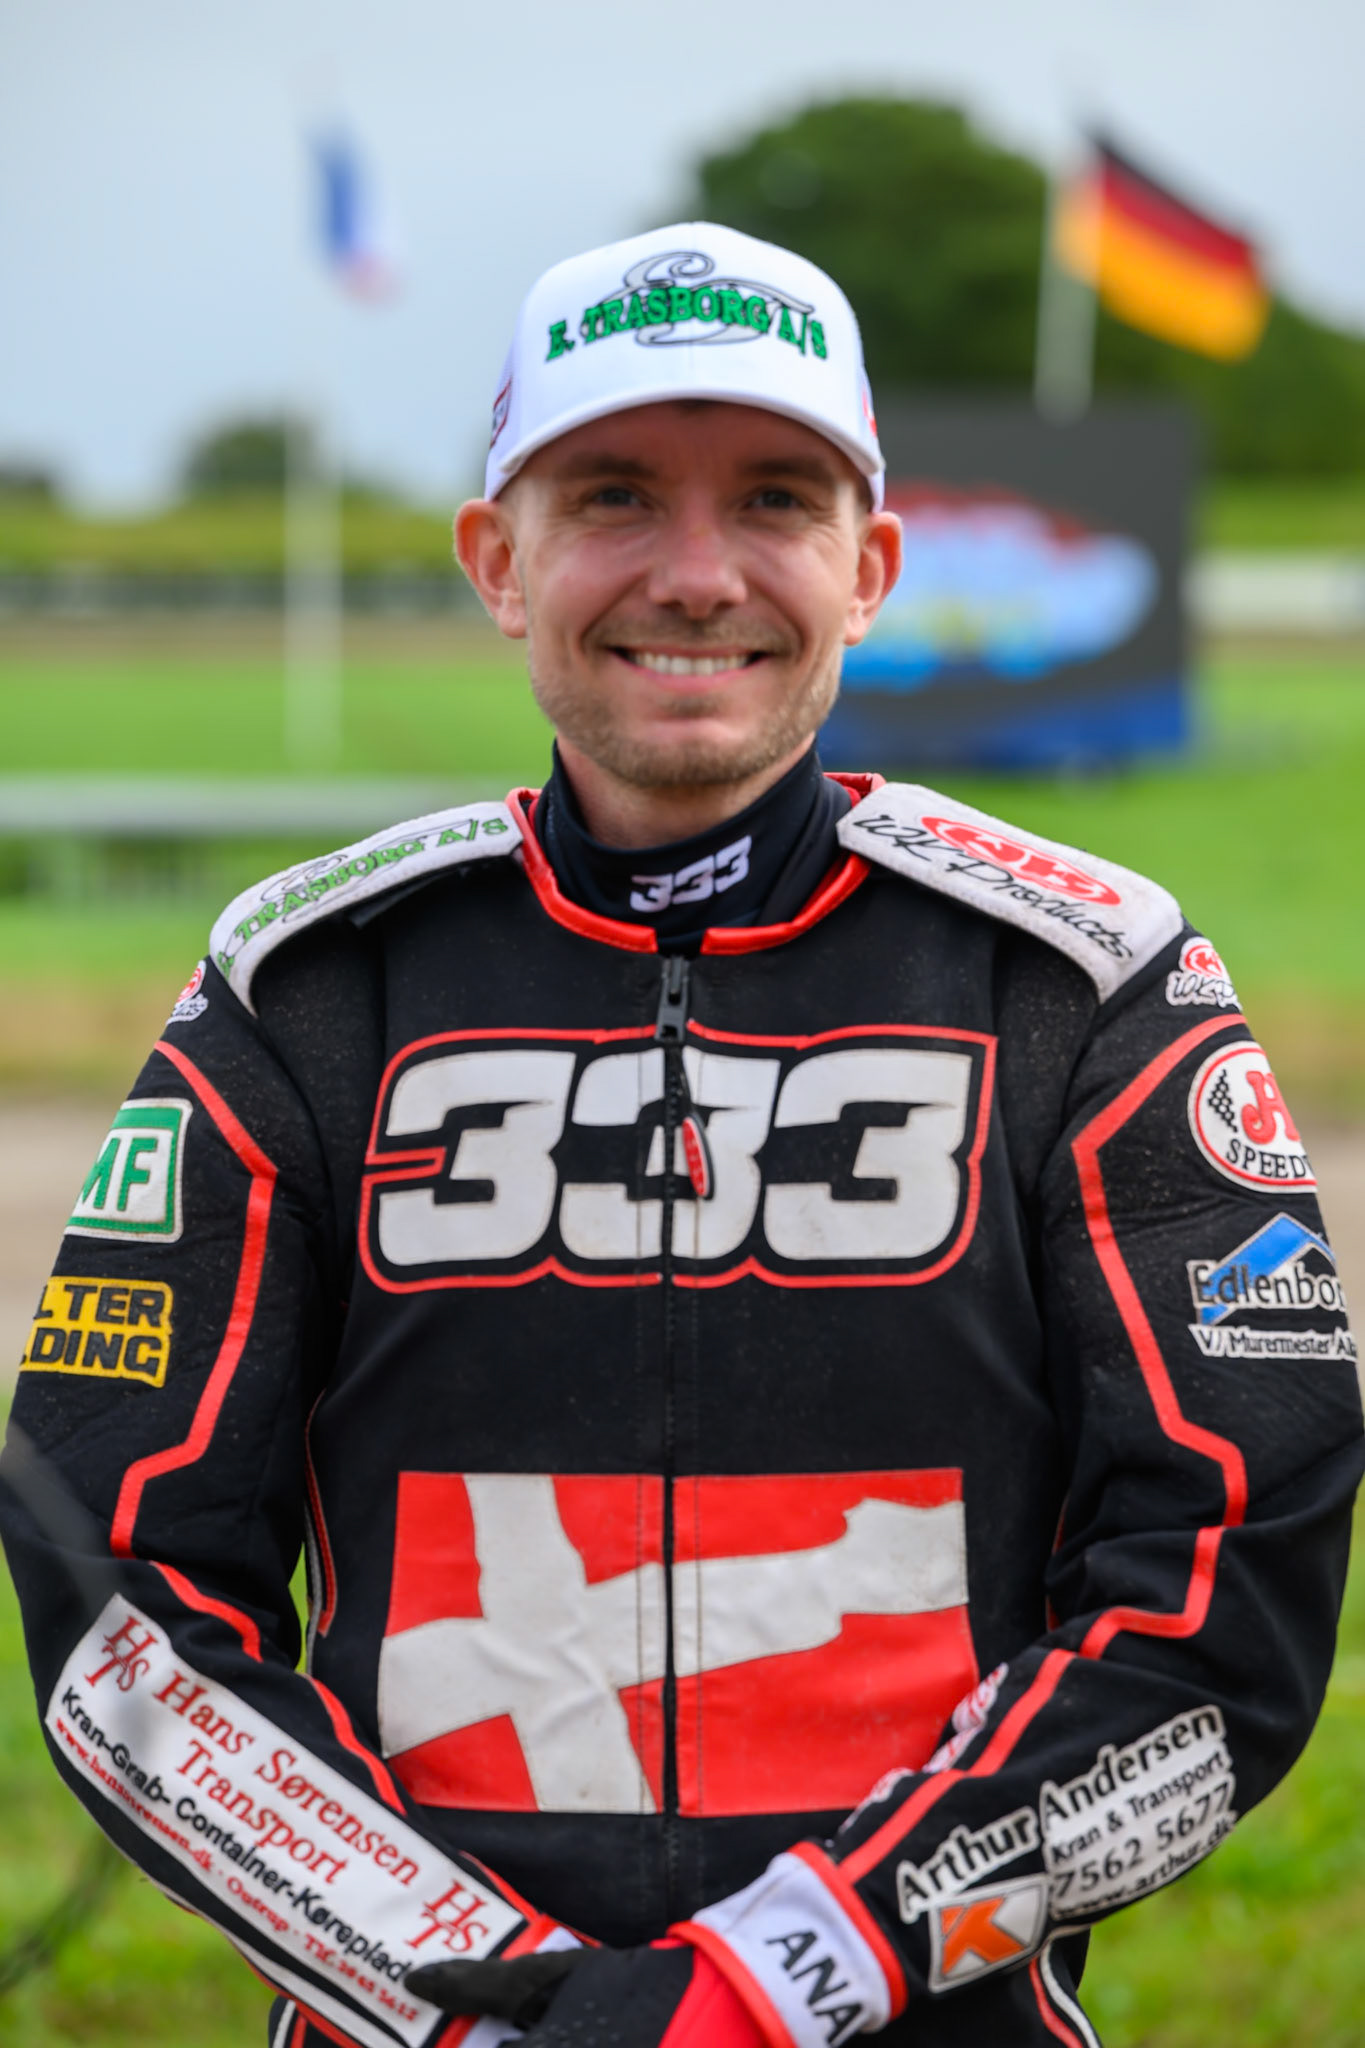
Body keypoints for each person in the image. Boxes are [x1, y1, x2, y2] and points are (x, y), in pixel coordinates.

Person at [2, 221, 1360, 2048]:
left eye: (778, 501)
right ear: (501, 561)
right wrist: (464, 1996)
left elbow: (1222, 1591)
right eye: (618, 496)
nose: (699, 573)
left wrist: (779, 1981)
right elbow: (119, 1589)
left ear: (869, 567)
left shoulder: (1087, 980)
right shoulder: (299, 991)